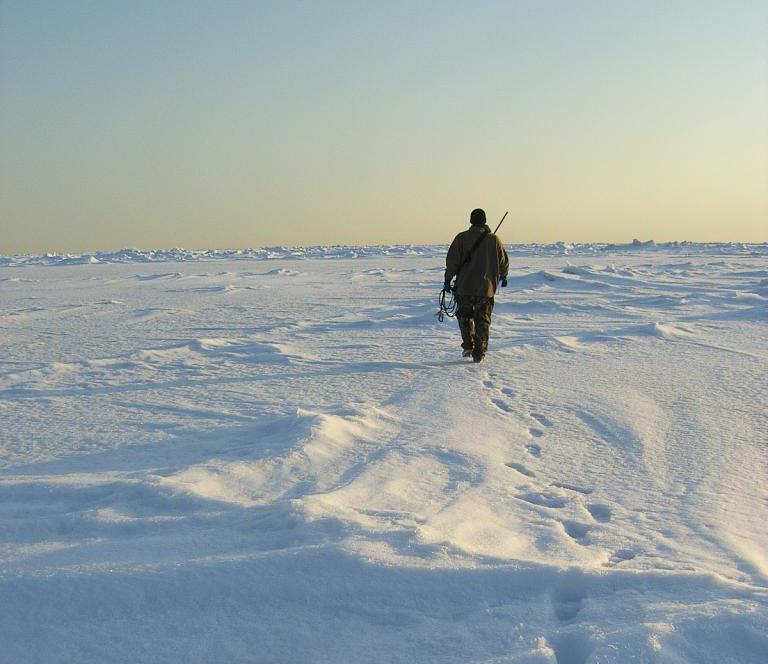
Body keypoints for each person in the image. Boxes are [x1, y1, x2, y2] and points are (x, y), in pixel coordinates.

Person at [444, 208, 509, 363]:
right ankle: (479, 352)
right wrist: (503, 276)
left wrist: (447, 280)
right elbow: (503, 261)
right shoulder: (494, 240)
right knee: (483, 320)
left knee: (464, 317)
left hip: (464, 287)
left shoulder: (461, 238)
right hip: (485, 289)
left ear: (471, 221)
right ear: (485, 221)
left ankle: (468, 345)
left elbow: (452, 262)